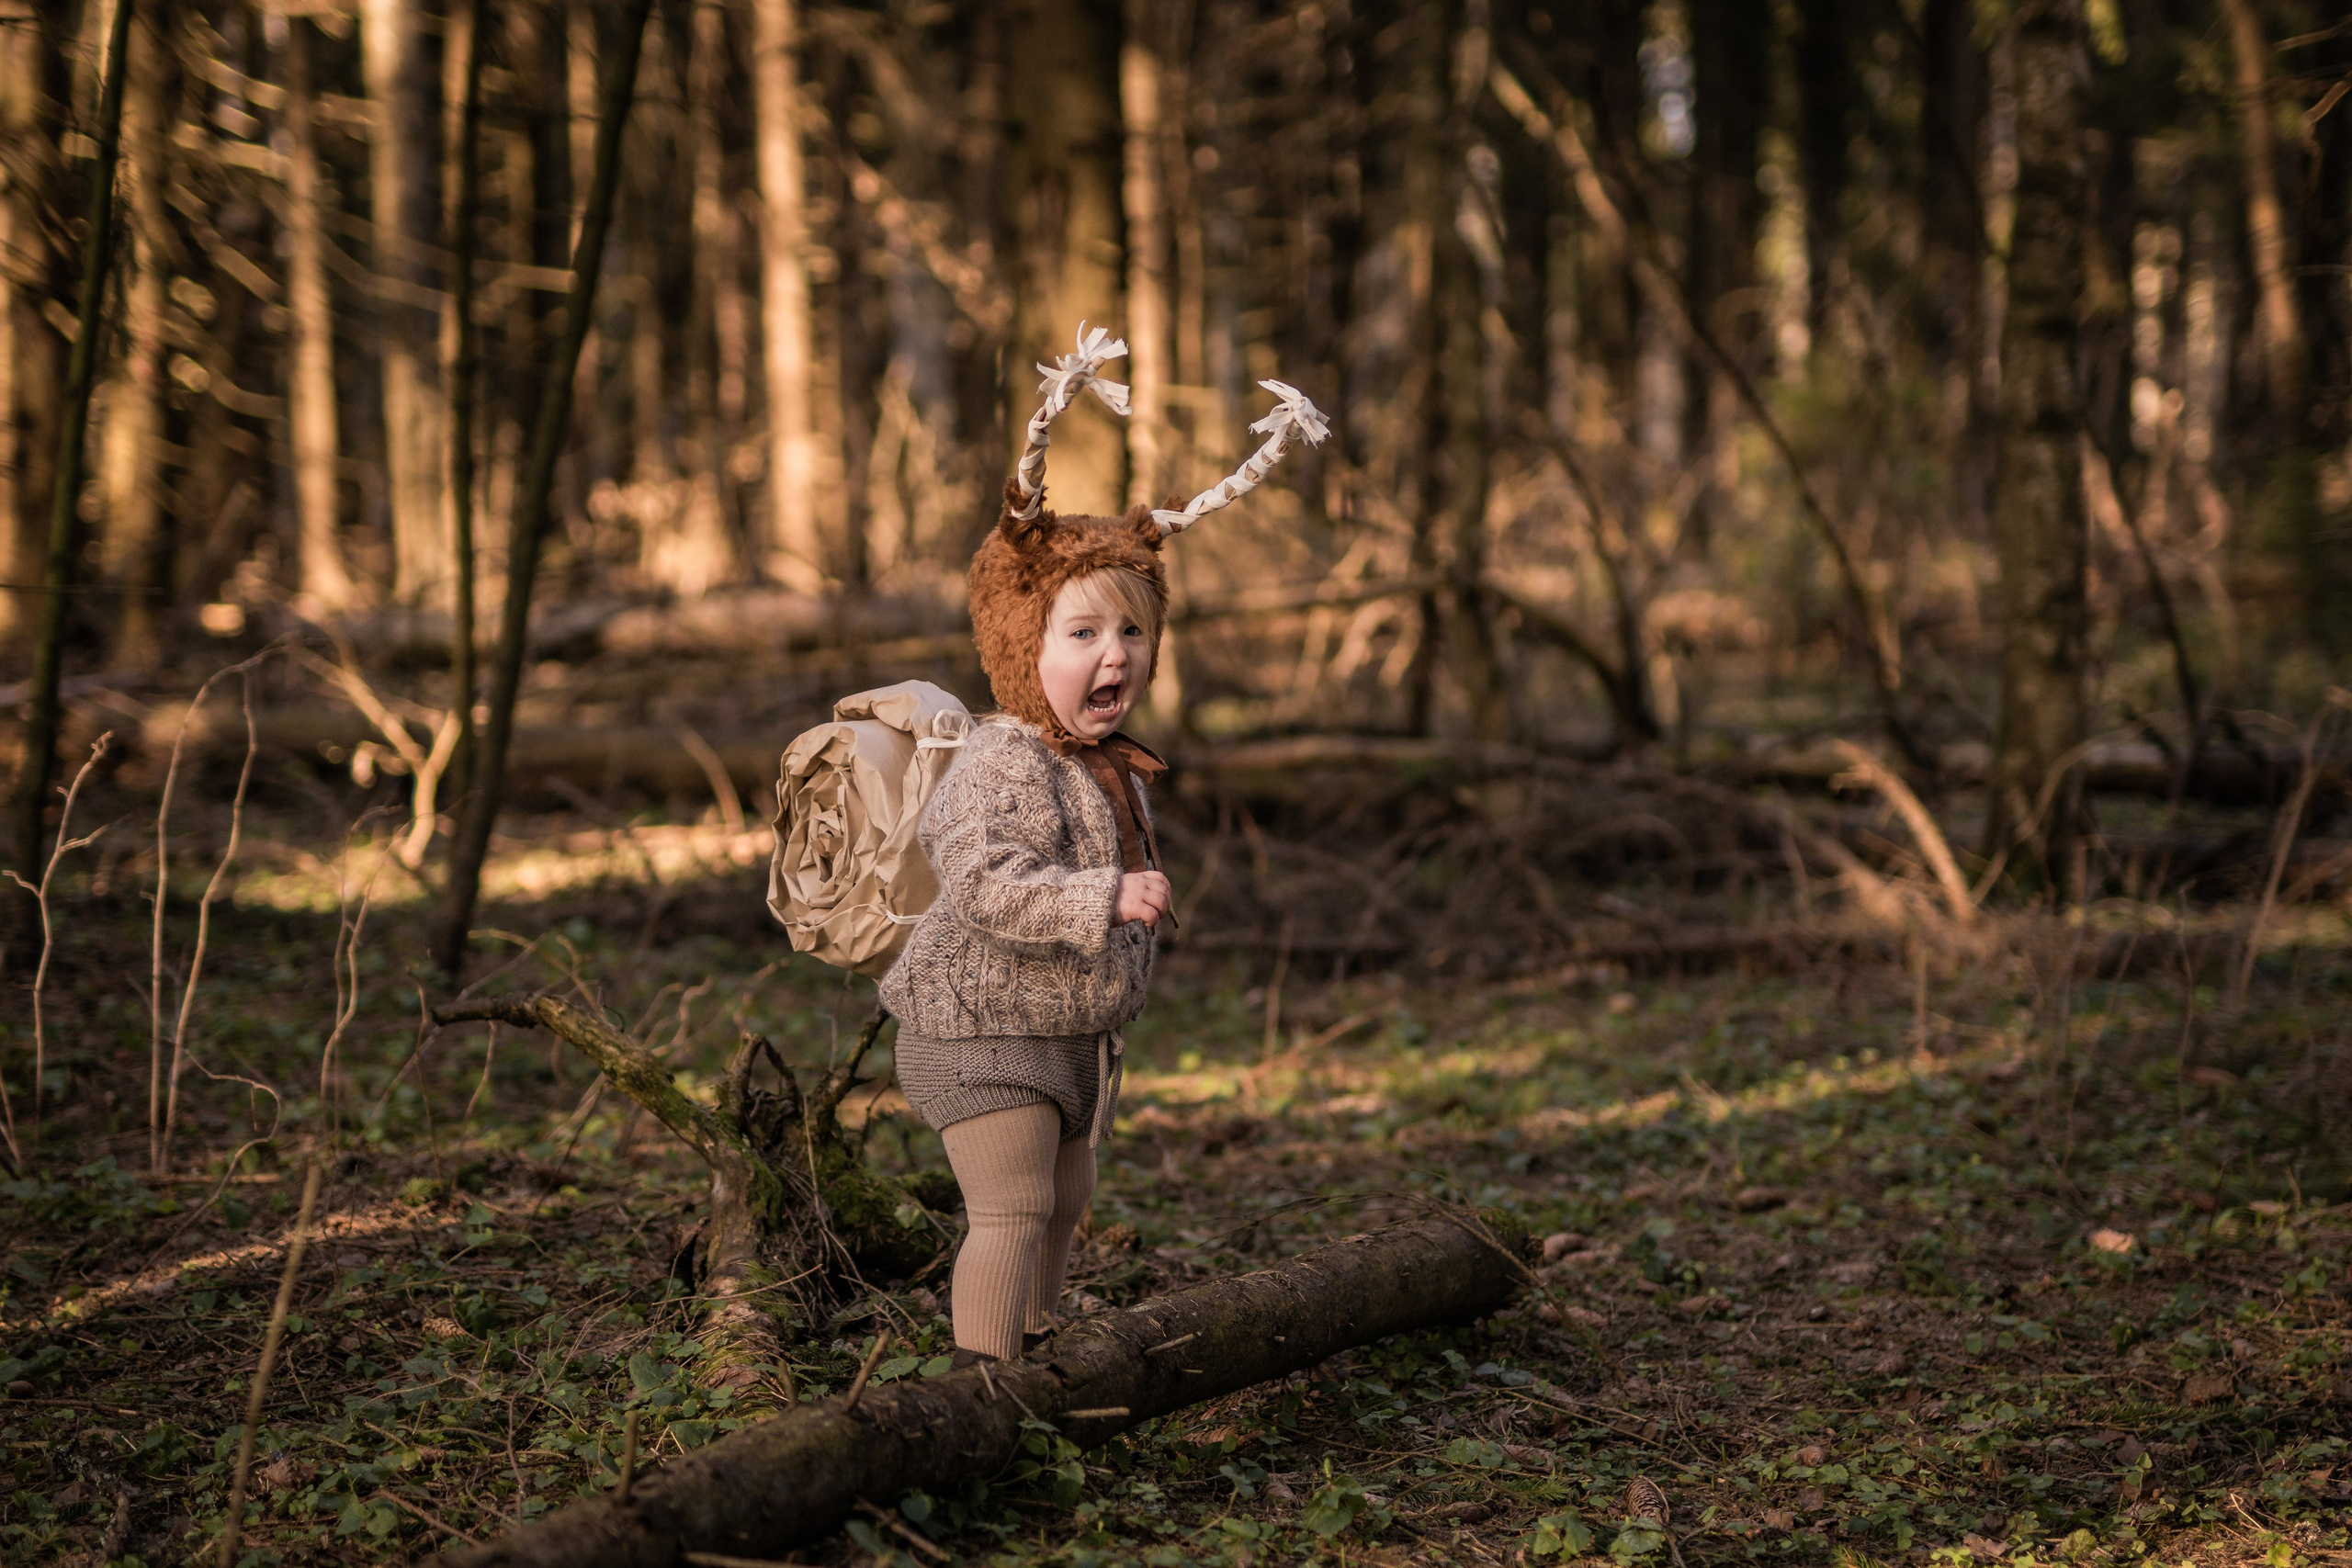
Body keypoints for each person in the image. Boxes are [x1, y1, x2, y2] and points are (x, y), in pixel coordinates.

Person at [879, 327, 1326, 1365]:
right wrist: (1103, 899)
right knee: (1012, 1206)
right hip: (977, 1030)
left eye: (1131, 633)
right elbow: (986, 883)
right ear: (1021, 647)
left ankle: (1040, 1349)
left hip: (1066, 1034)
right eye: (1081, 634)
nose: (1113, 655)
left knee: (1067, 1197)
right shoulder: (1002, 759)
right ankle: (981, 1389)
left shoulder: (1102, 764)